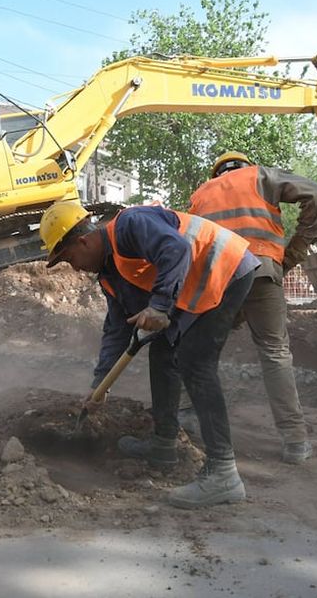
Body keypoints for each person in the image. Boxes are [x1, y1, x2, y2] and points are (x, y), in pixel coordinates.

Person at [39, 201, 259, 509]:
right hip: (199, 283)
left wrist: (159, 305)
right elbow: (116, 330)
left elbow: (177, 249)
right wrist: (100, 384)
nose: (73, 267)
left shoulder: (130, 224)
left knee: (195, 362)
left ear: (83, 241)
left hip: (225, 267)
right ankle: (163, 445)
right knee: (163, 354)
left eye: (69, 258)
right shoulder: (109, 275)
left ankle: (224, 474)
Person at [186, 151, 317, 464]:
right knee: (274, 352)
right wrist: (301, 244)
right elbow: (314, 193)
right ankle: (295, 442)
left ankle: (185, 417)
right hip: (261, 270)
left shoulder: (201, 194)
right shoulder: (260, 176)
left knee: (198, 351)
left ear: (217, 172)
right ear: (244, 165)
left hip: (218, 278)